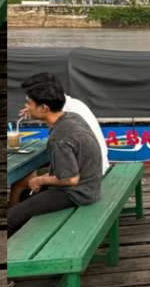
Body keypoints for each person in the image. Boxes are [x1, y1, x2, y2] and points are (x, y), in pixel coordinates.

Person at [8, 76, 103, 235]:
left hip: (77, 193)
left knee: (10, 219)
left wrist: (39, 179)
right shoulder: (72, 117)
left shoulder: (59, 137)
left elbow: (70, 179)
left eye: (29, 103)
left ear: (44, 108)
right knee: (25, 195)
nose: (26, 107)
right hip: (91, 184)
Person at [17, 73, 110, 178]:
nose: (28, 101)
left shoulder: (65, 115)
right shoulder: (73, 104)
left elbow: (69, 176)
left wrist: (41, 180)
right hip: (96, 166)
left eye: (31, 99)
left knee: (24, 179)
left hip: (89, 173)